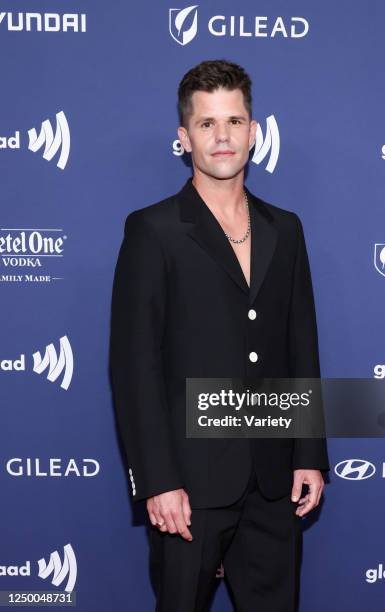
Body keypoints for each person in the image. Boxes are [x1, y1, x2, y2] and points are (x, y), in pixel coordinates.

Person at [110, 59, 329, 612]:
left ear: (254, 132)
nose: (223, 136)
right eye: (207, 124)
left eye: (234, 121)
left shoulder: (287, 228)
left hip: (273, 481)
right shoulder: (153, 230)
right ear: (184, 139)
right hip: (188, 486)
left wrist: (309, 454)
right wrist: (158, 480)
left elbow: (300, 345)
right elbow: (135, 367)